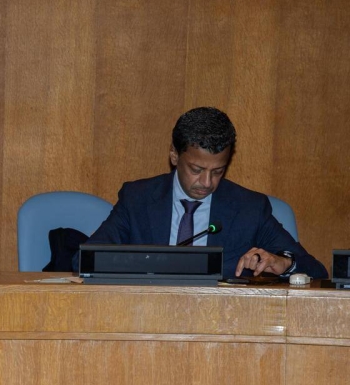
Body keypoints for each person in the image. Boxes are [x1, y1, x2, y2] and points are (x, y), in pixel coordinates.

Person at [84, 107, 327, 279]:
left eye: (218, 171)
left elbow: (316, 270)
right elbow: (85, 259)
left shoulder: (249, 208)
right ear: (174, 155)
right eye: (196, 170)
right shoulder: (137, 198)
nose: (207, 182)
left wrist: (283, 263)